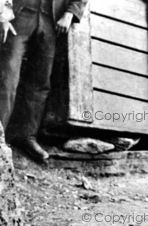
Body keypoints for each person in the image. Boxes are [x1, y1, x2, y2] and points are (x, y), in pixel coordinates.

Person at [0, 0, 87, 162]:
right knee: (7, 78)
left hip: (51, 21)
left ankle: (26, 135)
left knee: (40, 81)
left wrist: (70, 13)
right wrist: (3, 17)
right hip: (20, 14)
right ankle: (0, 135)